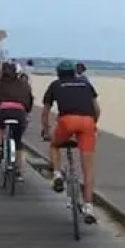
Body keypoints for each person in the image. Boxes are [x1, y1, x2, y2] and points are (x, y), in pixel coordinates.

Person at [40, 58, 100, 224]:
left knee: (54, 144)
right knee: (88, 169)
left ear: (58, 73)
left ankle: (58, 174)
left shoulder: (55, 85)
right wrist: (93, 124)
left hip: (67, 121)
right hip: (87, 121)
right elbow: (97, 109)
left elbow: (45, 112)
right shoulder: (86, 84)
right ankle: (89, 207)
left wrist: (45, 130)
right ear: (74, 72)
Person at [0, 62, 35, 171]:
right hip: (20, 113)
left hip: (4, 111)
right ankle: (19, 171)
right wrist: (27, 111)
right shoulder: (24, 84)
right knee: (18, 142)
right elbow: (30, 100)